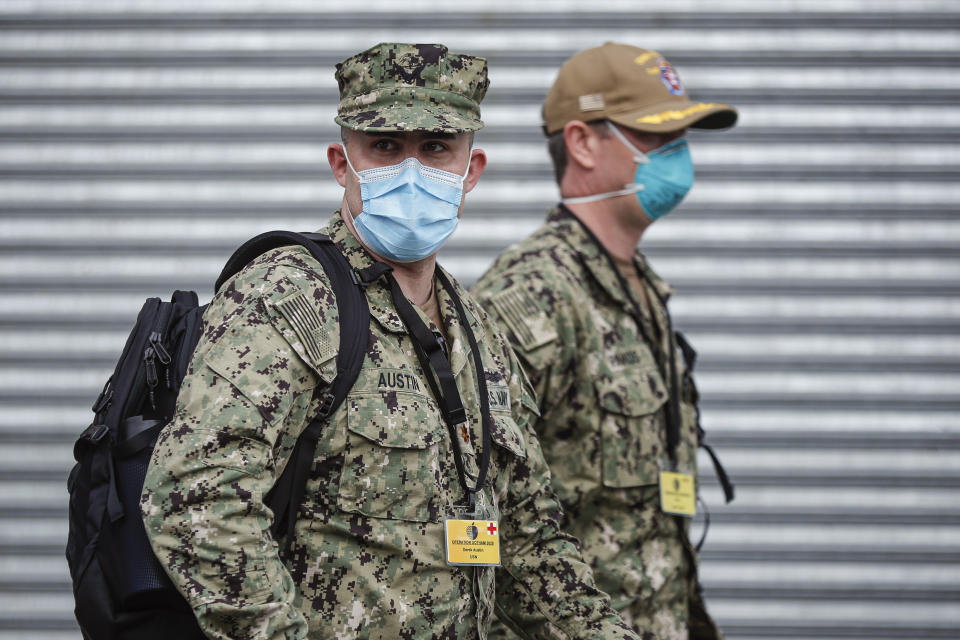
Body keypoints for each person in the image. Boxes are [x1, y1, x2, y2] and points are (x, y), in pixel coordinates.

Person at [140, 42, 641, 640]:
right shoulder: (287, 300)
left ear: (470, 170)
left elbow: (529, 535)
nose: (410, 170)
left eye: (435, 149)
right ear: (340, 162)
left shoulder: (476, 331)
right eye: (384, 147)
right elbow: (194, 500)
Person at [472, 43, 738, 640]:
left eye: (682, 138)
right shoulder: (531, 297)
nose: (679, 157)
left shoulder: (639, 285)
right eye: (657, 138)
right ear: (584, 143)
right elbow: (483, 513)